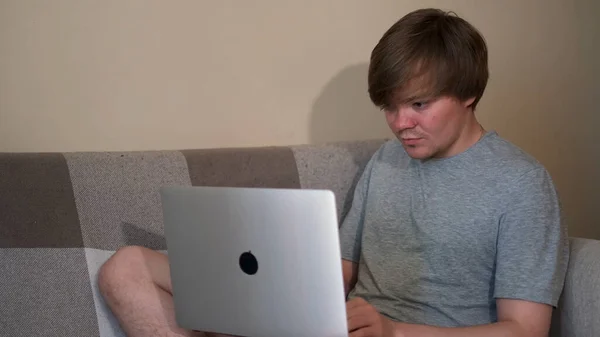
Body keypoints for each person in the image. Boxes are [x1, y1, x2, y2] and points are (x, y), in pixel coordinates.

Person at [97, 7, 569, 337]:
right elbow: (337, 273)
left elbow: (525, 329)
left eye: (419, 104)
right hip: (338, 328)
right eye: (390, 106)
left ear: (468, 92)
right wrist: (255, 286)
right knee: (126, 268)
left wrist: (393, 332)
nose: (400, 123)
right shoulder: (387, 161)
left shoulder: (521, 183)